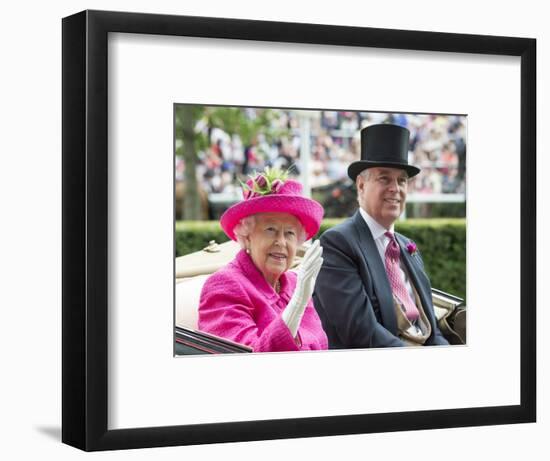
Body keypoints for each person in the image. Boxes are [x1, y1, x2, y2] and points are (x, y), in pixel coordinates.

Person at [313, 124, 449, 348]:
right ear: (361, 185)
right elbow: (361, 332)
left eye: (402, 180)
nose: (395, 188)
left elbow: (432, 330)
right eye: (384, 179)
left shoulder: (407, 247)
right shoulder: (337, 244)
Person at [198, 167, 328, 352]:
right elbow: (247, 360)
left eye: (289, 233)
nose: (281, 242)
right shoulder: (224, 286)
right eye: (271, 230)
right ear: (247, 235)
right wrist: (296, 305)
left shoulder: (293, 283)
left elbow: (320, 344)